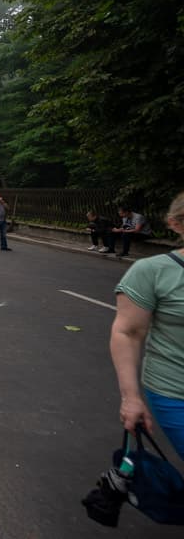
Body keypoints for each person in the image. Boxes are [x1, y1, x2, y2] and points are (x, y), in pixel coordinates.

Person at [109, 192, 184, 456]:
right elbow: (127, 332)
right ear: (176, 224)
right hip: (176, 394)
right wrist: (131, 398)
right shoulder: (153, 272)